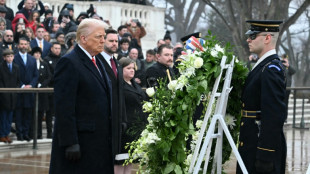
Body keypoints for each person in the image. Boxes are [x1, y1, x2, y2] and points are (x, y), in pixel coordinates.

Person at [49, 18, 114, 174]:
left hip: (99, 142)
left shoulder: (97, 60)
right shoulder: (70, 62)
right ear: (83, 38)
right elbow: (64, 106)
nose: (103, 41)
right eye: (99, 37)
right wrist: (70, 142)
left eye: (104, 37)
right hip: (81, 143)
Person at [237, 20, 287, 174]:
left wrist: (265, 155)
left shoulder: (271, 69)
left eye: (253, 35)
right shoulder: (263, 65)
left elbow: (273, 116)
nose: (248, 39)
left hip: (261, 146)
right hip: (252, 140)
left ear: (267, 38)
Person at [96, 29, 127, 172]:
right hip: (102, 121)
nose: (114, 44)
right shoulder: (97, 61)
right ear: (103, 41)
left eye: (116, 41)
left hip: (116, 121)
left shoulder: (117, 63)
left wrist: (123, 119)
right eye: (111, 41)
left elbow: (120, 93)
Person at [118, 57, 148, 174]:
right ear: (121, 69)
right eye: (128, 68)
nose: (132, 70)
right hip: (125, 126)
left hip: (136, 126)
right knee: (121, 159)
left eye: (133, 68)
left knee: (131, 159)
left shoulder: (134, 84)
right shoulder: (119, 85)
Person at [13, 37, 38, 141]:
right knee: (19, 114)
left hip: (29, 91)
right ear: (18, 45)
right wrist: (22, 85)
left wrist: (31, 85)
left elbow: (35, 75)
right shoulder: (14, 58)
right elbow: (13, 76)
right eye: (21, 44)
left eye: (25, 44)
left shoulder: (32, 59)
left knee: (28, 114)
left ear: (28, 45)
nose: (23, 46)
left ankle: (26, 133)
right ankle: (19, 134)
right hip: (19, 91)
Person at [30, 47, 51, 139]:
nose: (37, 55)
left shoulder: (44, 64)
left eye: (39, 53)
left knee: (41, 114)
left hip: (42, 93)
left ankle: (39, 134)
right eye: (35, 53)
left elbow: (49, 76)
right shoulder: (30, 64)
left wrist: (42, 85)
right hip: (33, 92)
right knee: (33, 115)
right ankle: (33, 134)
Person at [0, 49, 20, 144]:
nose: (10, 58)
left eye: (11, 56)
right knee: (3, 116)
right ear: (4, 58)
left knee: (9, 117)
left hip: (13, 95)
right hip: (3, 95)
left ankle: (7, 134)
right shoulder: (1, 67)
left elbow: (17, 81)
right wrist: (5, 93)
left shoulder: (16, 67)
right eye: (8, 56)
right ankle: (2, 134)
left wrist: (15, 90)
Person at [43, 42, 62, 138]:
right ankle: (49, 133)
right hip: (50, 90)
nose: (57, 50)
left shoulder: (63, 59)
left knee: (60, 113)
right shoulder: (46, 59)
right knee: (49, 113)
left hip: (61, 90)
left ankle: (58, 132)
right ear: (51, 48)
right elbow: (48, 75)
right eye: (55, 48)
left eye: (59, 48)